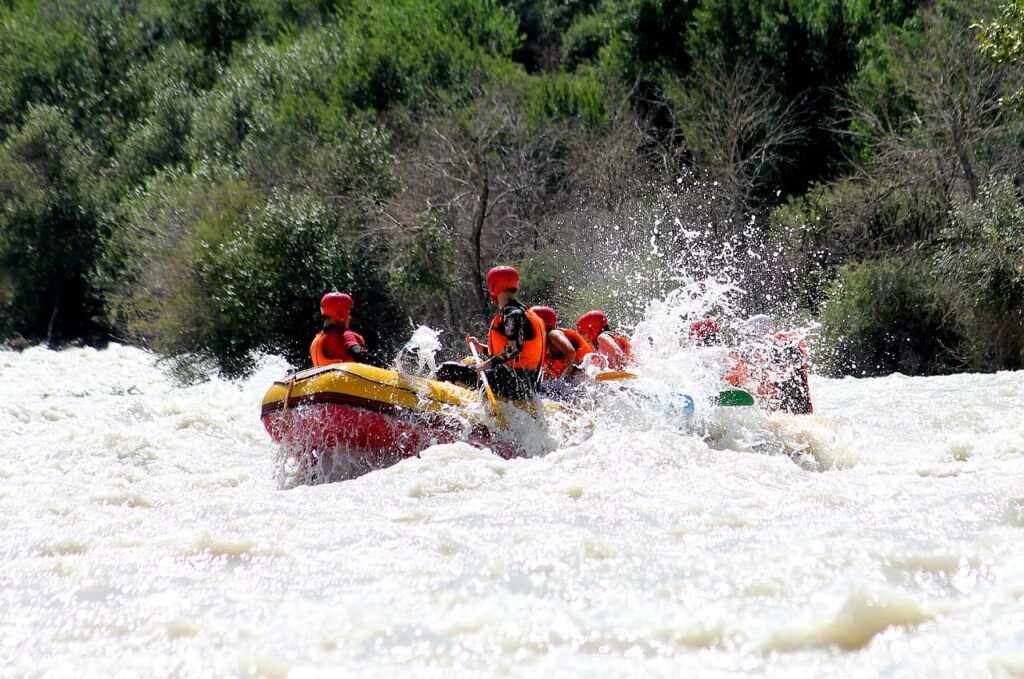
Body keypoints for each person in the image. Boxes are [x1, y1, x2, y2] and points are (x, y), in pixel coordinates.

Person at [435, 266, 547, 400]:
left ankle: (434, 404)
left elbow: (513, 350)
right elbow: (515, 356)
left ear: (493, 286)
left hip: (511, 386)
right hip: (526, 386)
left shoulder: (512, 313)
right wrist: (481, 348)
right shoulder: (526, 313)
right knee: (469, 364)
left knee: (447, 369)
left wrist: (486, 365)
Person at [310, 292, 384, 368]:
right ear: (340, 314)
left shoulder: (317, 340)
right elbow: (358, 353)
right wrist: (383, 366)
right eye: (348, 313)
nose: (350, 317)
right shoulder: (344, 334)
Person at [530, 305, 593, 381]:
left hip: (590, 371)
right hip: (581, 379)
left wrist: (562, 381)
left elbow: (571, 352)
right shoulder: (543, 346)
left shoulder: (553, 334)